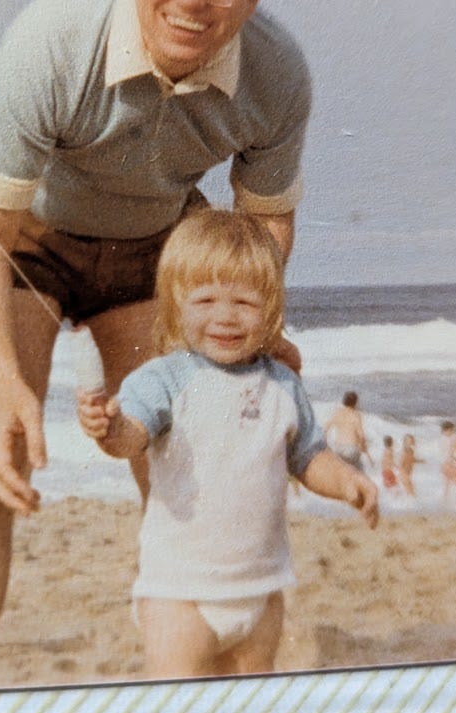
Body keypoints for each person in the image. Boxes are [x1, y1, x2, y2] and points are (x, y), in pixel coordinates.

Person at [0, 0, 313, 689]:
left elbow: (263, 222)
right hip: (14, 226)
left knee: (182, 432)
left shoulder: (278, 75)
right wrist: (3, 378)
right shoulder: (57, 38)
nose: (189, 1)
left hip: (153, 229)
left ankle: (205, 670)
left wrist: (259, 325)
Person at [77, 210, 377, 679]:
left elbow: (307, 457)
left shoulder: (282, 384)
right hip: (180, 593)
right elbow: (131, 437)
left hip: (261, 590)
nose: (225, 316)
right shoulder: (165, 379)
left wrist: (347, 481)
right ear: (176, 305)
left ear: (272, 306)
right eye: (206, 299)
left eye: (244, 301)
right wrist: (109, 428)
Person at [324, 391, 374, 472]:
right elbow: (361, 435)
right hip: (351, 449)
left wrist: (326, 445)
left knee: (342, 473)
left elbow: (325, 429)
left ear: (344, 401)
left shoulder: (337, 413)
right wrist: (363, 448)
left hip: (338, 448)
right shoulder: (356, 415)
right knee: (359, 473)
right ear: (355, 402)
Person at [439, 420, 456, 502]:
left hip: (443, 463)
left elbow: (446, 453)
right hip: (448, 463)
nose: (453, 432)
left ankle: (445, 499)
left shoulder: (442, 439)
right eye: (452, 430)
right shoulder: (449, 440)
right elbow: (450, 453)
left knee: (447, 483)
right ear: (447, 430)